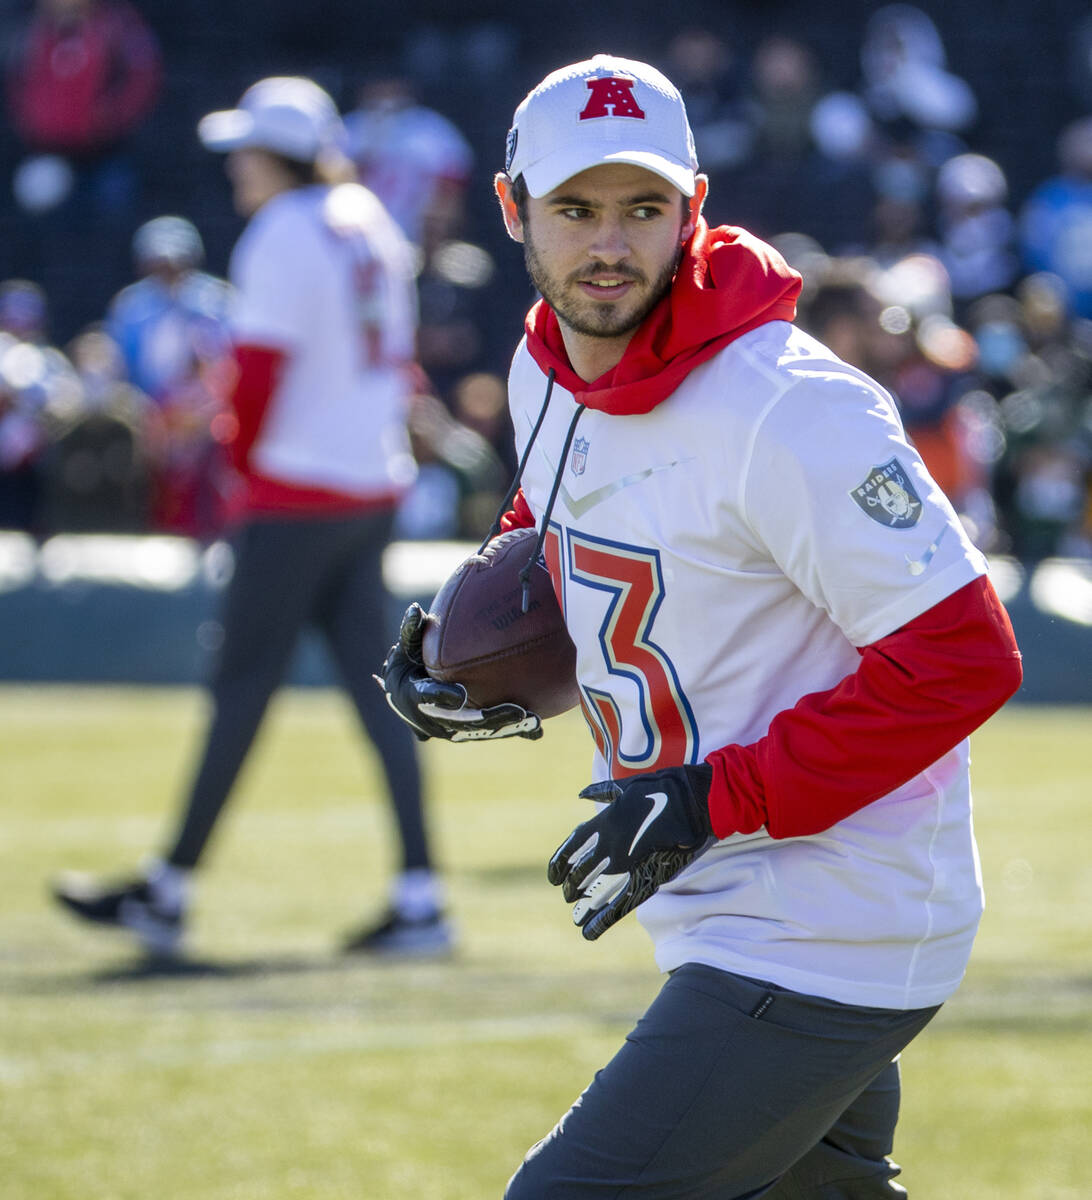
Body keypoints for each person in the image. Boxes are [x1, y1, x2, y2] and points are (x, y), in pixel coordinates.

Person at [379, 55, 1023, 1197]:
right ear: (513, 208)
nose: (609, 245)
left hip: (830, 918)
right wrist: (469, 651)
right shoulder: (546, 365)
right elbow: (565, 516)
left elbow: (965, 658)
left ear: (694, 210)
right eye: (575, 209)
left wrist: (715, 797)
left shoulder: (789, 406)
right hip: (732, 907)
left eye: (643, 209)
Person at [53, 76, 452, 959]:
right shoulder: (372, 223)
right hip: (367, 489)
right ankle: (421, 895)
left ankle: (168, 889)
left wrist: (233, 469)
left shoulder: (284, 230)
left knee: (241, 690)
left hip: (296, 493)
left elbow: (263, 372)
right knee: (378, 694)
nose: (236, 168)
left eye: (247, 151)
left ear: (281, 154)